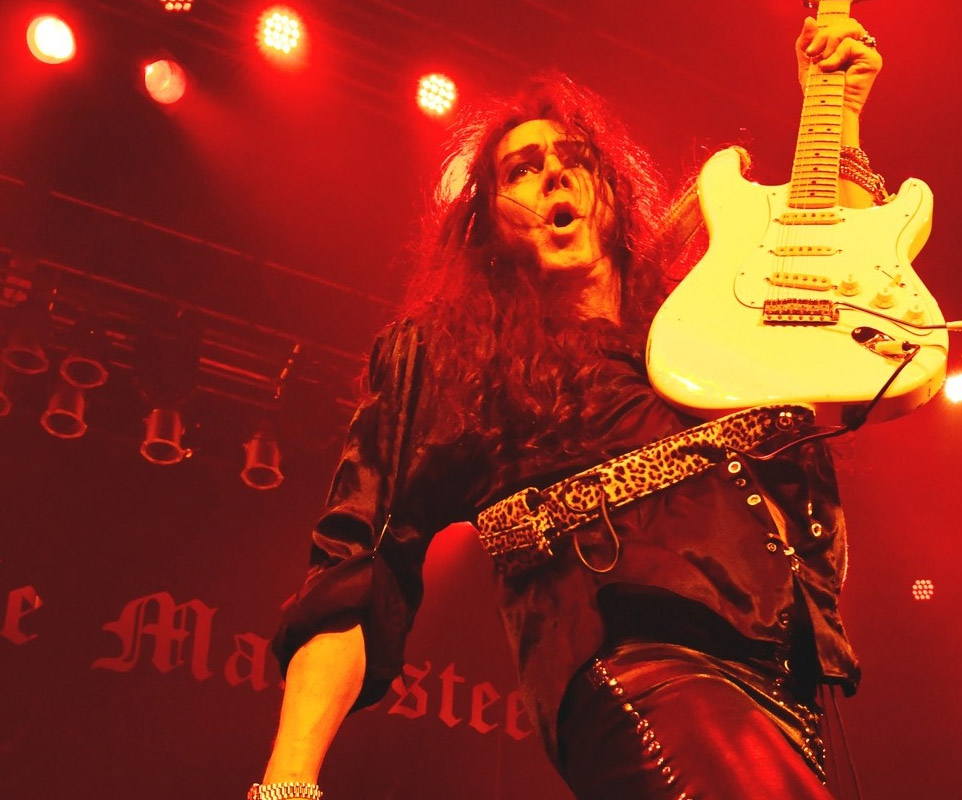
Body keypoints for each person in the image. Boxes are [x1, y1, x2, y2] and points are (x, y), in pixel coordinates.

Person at [252, 11, 884, 800]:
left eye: (574, 160)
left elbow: (844, 317)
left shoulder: (704, 327)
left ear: (612, 193)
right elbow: (361, 557)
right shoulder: (454, 354)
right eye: (521, 169)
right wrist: (288, 779)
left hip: (787, 688)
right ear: (489, 225)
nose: (553, 175)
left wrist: (839, 114)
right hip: (643, 664)